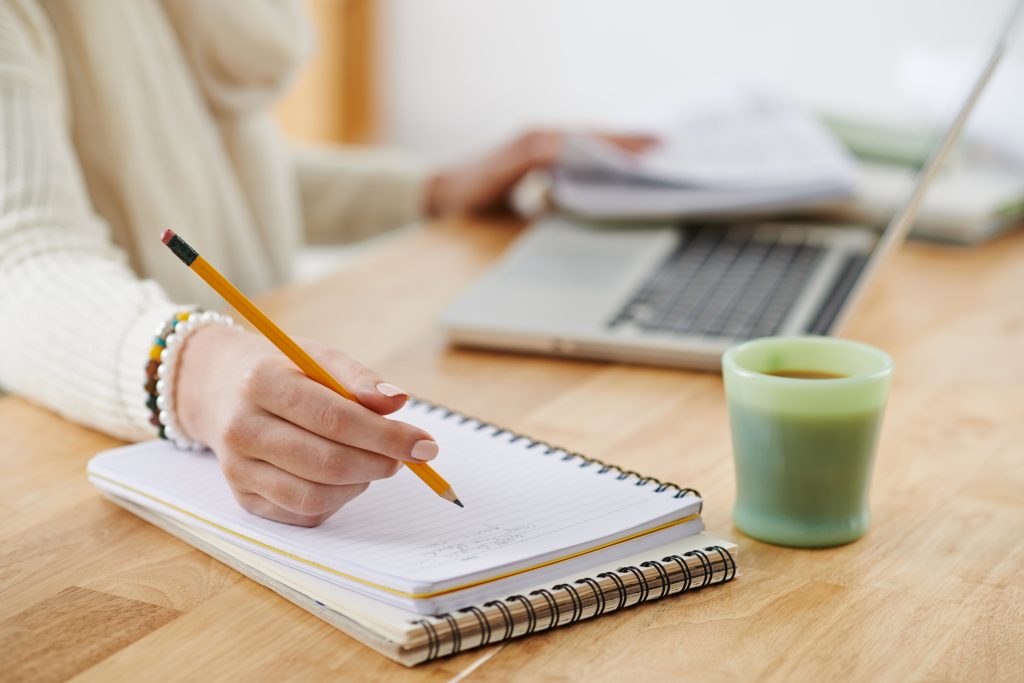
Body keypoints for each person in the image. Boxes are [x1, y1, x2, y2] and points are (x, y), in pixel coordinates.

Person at [0, 0, 652, 526]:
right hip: (84, 467)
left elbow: (212, 169)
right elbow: (21, 262)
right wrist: (198, 370)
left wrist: (433, 188)